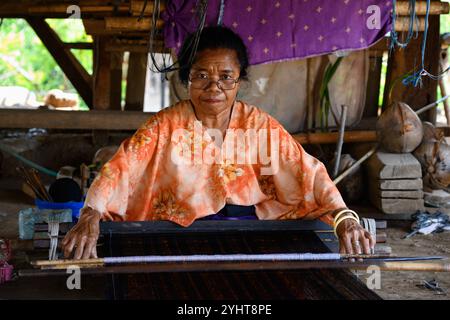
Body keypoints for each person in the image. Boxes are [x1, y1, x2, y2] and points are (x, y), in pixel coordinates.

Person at [62, 26, 374, 260]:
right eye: (201, 76)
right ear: (186, 79)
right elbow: (121, 168)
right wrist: (91, 214)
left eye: (226, 77)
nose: (214, 87)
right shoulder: (164, 127)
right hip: (176, 238)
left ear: (240, 79)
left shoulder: (258, 127)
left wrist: (344, 217)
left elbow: (308, 173)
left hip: (253, 237)